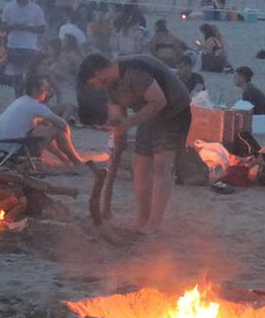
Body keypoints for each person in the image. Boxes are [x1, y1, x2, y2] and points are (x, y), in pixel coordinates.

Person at [79, 53, 192, 232]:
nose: (98, 87)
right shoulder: (111, 87)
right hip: (148, 115)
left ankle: (154, 223)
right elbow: (118, 118)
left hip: (173, 111)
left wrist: (130, 122)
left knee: (161, 164)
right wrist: (117, 133)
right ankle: (142, 219)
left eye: (95, 82)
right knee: (139, 166)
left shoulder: (134, 73)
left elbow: (159, 101)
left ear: (99, 72)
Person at [0, 75, 88, 168]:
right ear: (35, 91)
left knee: (42, 131)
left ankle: (66, 160)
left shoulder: (20, 101)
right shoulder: (36, 106)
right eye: (45, 89)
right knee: (57, 131)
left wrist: (45, 126)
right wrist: (66, 137)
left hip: (2, 148)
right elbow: (63, 124)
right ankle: (78, 162)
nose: (47, 92)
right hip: (15, 151)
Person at [2, 0, 46, 80]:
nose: (20, 3)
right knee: (15, 75)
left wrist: (26, 28)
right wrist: (13, 26)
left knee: (28, 73)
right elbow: (3, 26)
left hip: (29, 46)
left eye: (23, 0)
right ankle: (18, 94)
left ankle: (27, 92)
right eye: (18, 0)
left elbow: (42, 29)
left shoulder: (36, 9)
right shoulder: (9, 7)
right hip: (13, 45)